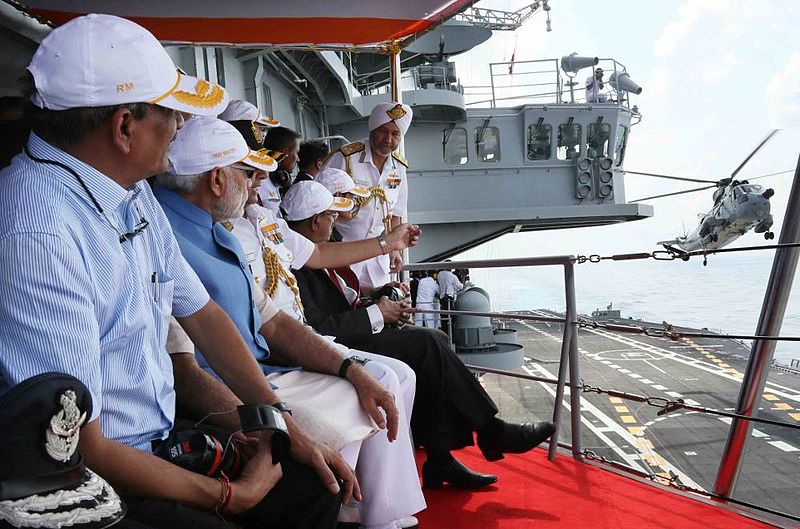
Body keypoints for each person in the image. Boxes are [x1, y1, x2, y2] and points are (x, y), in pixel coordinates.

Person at [0, 14, 341, 529]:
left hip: (156, 437)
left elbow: (201, 313)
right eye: (170, 112)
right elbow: (80, 446)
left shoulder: (130, 190)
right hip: (92, 476)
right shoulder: (39, 236)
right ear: (124, 126)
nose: (180, 125)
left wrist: (278, 421)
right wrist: (228, 496)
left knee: (307, 485)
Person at [153, 117, 425, 529]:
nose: (256, 183)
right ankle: (348, 509)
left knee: (374, 385)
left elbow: (273, 321)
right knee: (328, 434)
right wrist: (277, 425)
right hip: (230, 390)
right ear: (215, 181)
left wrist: (351, 370)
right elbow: (186, 373)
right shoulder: (166, 239)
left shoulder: (221, 234)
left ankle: (373, 512)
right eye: (246, 173)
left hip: (266, 371)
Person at [287, 176, 557, 491]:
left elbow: (345, 300)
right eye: (331, 215)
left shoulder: (321, 254)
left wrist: (381, 297)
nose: (336, 221)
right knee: (428, 343)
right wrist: (377, 314)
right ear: (316, 219)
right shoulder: (296, 264)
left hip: (355, 333)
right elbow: (317, 328)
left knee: (436, 342)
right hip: (335, 348)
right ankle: (490, 430)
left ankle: (442, 458)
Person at [322, 102, 412, 288]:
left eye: (395, 134)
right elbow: (316, 202)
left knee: (380, 308)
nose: (388, 139)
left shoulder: (399, 167)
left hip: (378, 257)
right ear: (372, 129)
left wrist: (394, 251)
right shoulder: (345, 158)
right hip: (341, 253)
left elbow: (396, 213)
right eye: (383, 131)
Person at [259, 126, 301, 214]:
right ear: (285, 152)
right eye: (296, 153)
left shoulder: (278, 180)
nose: (298, 159)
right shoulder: (259, 182)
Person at [437, 264, 463, 335]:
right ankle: (450, 337)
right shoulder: (453, 276)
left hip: (442, 299)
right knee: (451, 319)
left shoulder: (440, 274)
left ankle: (444, 335)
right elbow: (460, 287)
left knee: (444, 319)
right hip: (449, 300)